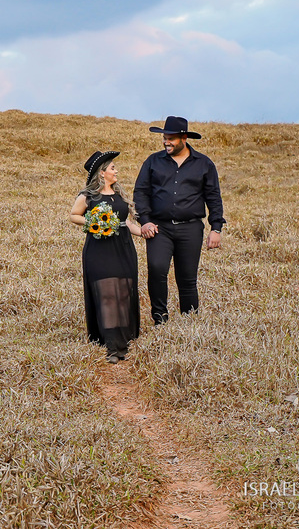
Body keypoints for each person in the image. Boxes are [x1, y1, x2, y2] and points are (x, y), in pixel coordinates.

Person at [133, 116, 225, 325]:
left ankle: (189, 322)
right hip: (159, 228)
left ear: (184, 138)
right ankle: (160, 320)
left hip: (190, 228)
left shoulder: (204, 164)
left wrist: (216, 228)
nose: (166, 142)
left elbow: (213, 196)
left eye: (171, 139)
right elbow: (141, 192)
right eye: (165, 138)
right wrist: (145, 220)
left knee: (187, 278)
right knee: (157, 270)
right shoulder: (152, 161)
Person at [69, 151, 142, 363]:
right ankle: (111, 346)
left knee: (124, 293)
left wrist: (145, 233)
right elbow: (74, 215)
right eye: (112, 168)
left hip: (123, 248)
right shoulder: (88, 196)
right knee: (107, 294)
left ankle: (123, 343)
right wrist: (95, 222)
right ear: (102, 173)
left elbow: (126, 222)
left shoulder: (119, 195)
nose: (116, 171)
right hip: (99, 250)